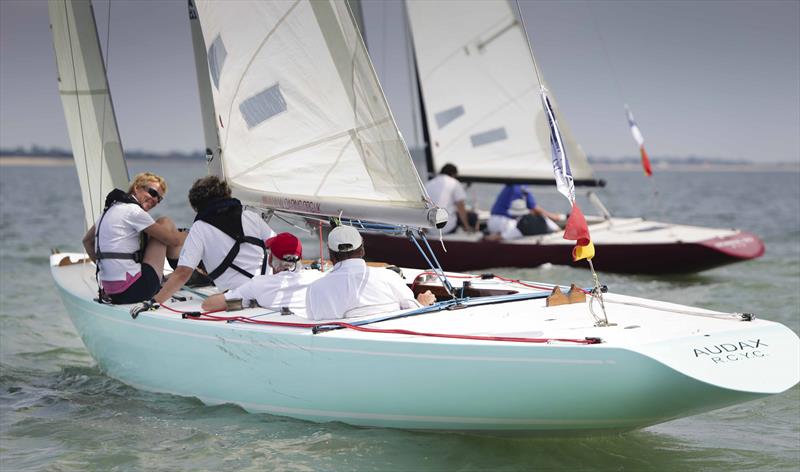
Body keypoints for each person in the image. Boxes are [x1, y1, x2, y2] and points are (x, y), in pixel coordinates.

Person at [151, 176, 275, 304]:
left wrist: (154, 302)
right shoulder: (250, 217)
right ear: (226, 194)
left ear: (196, 204)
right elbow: (280, 245)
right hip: (268, 290)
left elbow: (183, 273)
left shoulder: (200, 227)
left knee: (207, 305)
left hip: (238, 298)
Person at [82, 172, 186, 304]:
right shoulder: (134, 212)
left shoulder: (110, 210)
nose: (155, 200)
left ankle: (180, 274)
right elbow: (173, 241)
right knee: (164, 222)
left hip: (112, 293)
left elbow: (87, 242)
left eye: (159, 199)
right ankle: (185, 274)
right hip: (136, 290)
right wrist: (195, 234)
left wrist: (109, 270)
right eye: (153, 193)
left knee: (152, 234)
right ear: (137, 188)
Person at [306, 225, 436, 320]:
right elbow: (414, 312)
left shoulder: (316, 289)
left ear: (330, 255)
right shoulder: (389, 277)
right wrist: (422, 303)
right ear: (362, 250)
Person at [201, 232, 323, 316]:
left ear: (270, 260)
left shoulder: (258, 285)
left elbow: (209, 305)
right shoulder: (317, 277)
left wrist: (244, 302)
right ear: (301, 258)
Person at [485, 184, 564, 241]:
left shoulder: (519, 228)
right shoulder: (521, 186)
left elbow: (496, 238)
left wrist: (485, 238)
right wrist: (555, 217)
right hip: (504, 221)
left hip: (496, 222)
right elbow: (533, 207)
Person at [425, 163, 477, 234]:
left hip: (430, 229)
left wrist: (424, 229)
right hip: (447, 228)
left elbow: (423, 207)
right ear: (453, 174)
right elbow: (461, 208)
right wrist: (467, 226)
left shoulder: (428, 184)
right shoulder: (455, 183)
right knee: (473, 216)